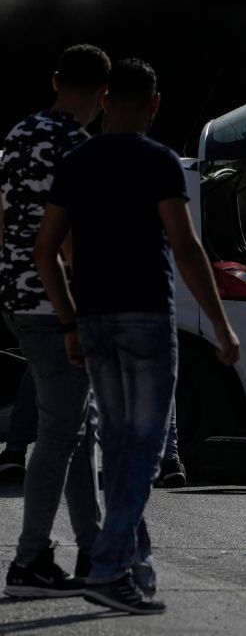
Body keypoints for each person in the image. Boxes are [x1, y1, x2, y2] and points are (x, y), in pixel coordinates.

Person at [35, 58, 240, 615]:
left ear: (105, 100)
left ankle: (134, 564)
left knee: (121, 445)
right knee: (144, 450)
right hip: (146, 318)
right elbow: (187, 246)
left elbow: (45, 249)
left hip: (95, 319)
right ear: (154, 104)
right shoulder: (159, 163)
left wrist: (69, 319)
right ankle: (107, 568)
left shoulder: (75, 162)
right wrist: (221, 325)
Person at [0, 44, 109, 598]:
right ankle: (29, 562)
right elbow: (70, 242)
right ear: (104, 95)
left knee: (75, 431)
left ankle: (93, 553)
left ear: (55, 80)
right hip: (57, 307)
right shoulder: (77, 147)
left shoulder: (18, 136)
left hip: (20, 299)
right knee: (59, 436)